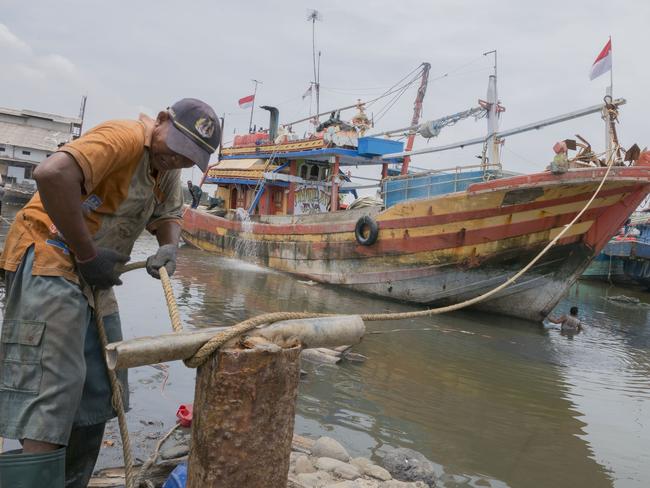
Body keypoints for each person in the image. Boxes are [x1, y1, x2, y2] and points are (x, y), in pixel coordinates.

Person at [0, 98, 220, 488]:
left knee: (103, 388)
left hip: (93, 274)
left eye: (189, 158)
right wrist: (87, 254)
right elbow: (51, 174)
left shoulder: (164, 168)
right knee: (54, 387)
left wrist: (169, 247)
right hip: (52, 259)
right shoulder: (124, 137)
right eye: (177, 150)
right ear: (163, 121)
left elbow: (168, 215)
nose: (177, 161)